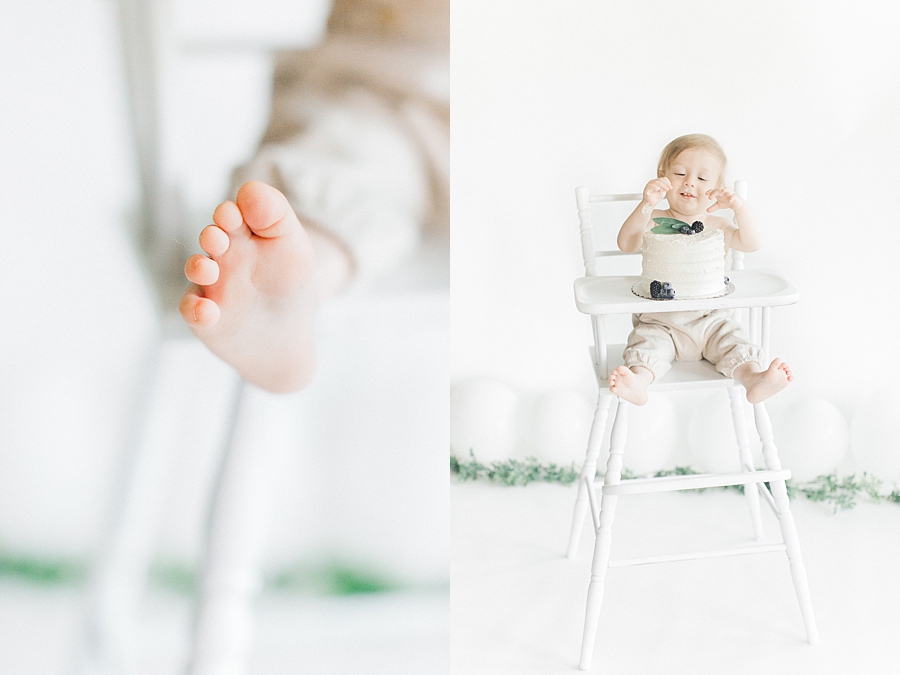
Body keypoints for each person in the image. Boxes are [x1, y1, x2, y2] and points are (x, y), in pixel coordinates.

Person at [179, 0, 449, 393]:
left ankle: (295, 278)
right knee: (346, 158)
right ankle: (295, 290)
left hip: (534, 100)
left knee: (355, 157)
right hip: (399, 73)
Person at [608, 133, 792, 406]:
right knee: (647, 347)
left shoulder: (717, 226)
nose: (690, 182)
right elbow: (625, 243)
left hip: (711, 319)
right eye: (680, 173)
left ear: (717, 186)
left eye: (702, 178)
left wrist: (738, 207)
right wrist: (647, 204)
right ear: (663, 177)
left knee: (733, 342)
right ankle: (639, 381)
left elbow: (752, 243)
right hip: (661, 321)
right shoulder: (654, 220)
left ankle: (753, 379)